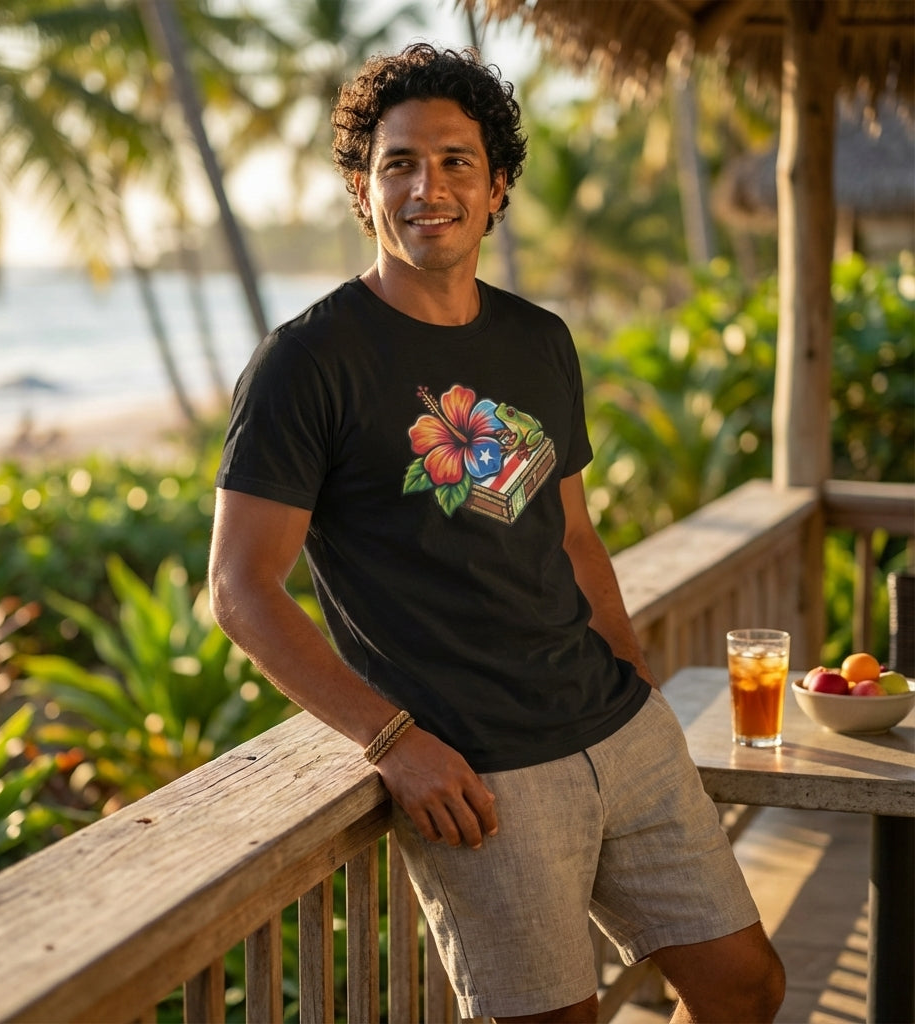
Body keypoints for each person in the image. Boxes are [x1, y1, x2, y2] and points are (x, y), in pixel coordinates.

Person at [208, 43, 785, 1023]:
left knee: (746, 985)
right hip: (481, 775)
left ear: (497, 186)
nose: (426, 187)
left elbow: (570, 531)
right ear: (363, 189)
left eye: (454, 160)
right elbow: (240, 589)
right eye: (398, 164)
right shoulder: (306, 362)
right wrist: (391, 741)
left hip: (617, 727)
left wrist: (629, 668)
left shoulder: (537, 337)